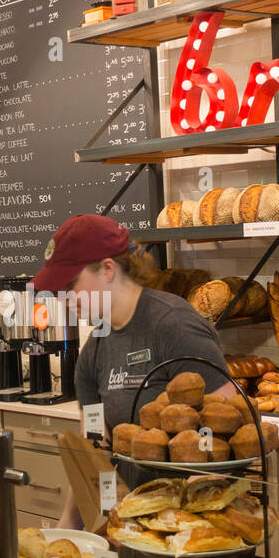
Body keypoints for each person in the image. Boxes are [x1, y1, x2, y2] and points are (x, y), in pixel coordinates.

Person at [30, 214, 236, 530]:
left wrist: (183, 522)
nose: (62, 297)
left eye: (70, 284)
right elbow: (96, 452)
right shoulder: (94, 350)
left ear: (108, 269)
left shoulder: (175, 326)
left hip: (200, 534)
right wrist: (71, 526)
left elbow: (226, 430)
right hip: (137, 530)